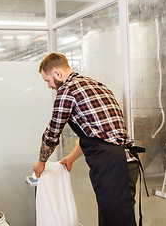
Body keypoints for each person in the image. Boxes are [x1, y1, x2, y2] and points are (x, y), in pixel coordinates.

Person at [33, 53, 139, 226]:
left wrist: (41, 162)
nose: (49, 86)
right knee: (113, 218)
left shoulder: (67, 92)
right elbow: (94, 134)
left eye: (48, 80)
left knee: (117, 221)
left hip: (111, 166)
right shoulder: (97, 85)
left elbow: (52, 135)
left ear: (58, 74)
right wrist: (71, 158)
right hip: (127, 163)